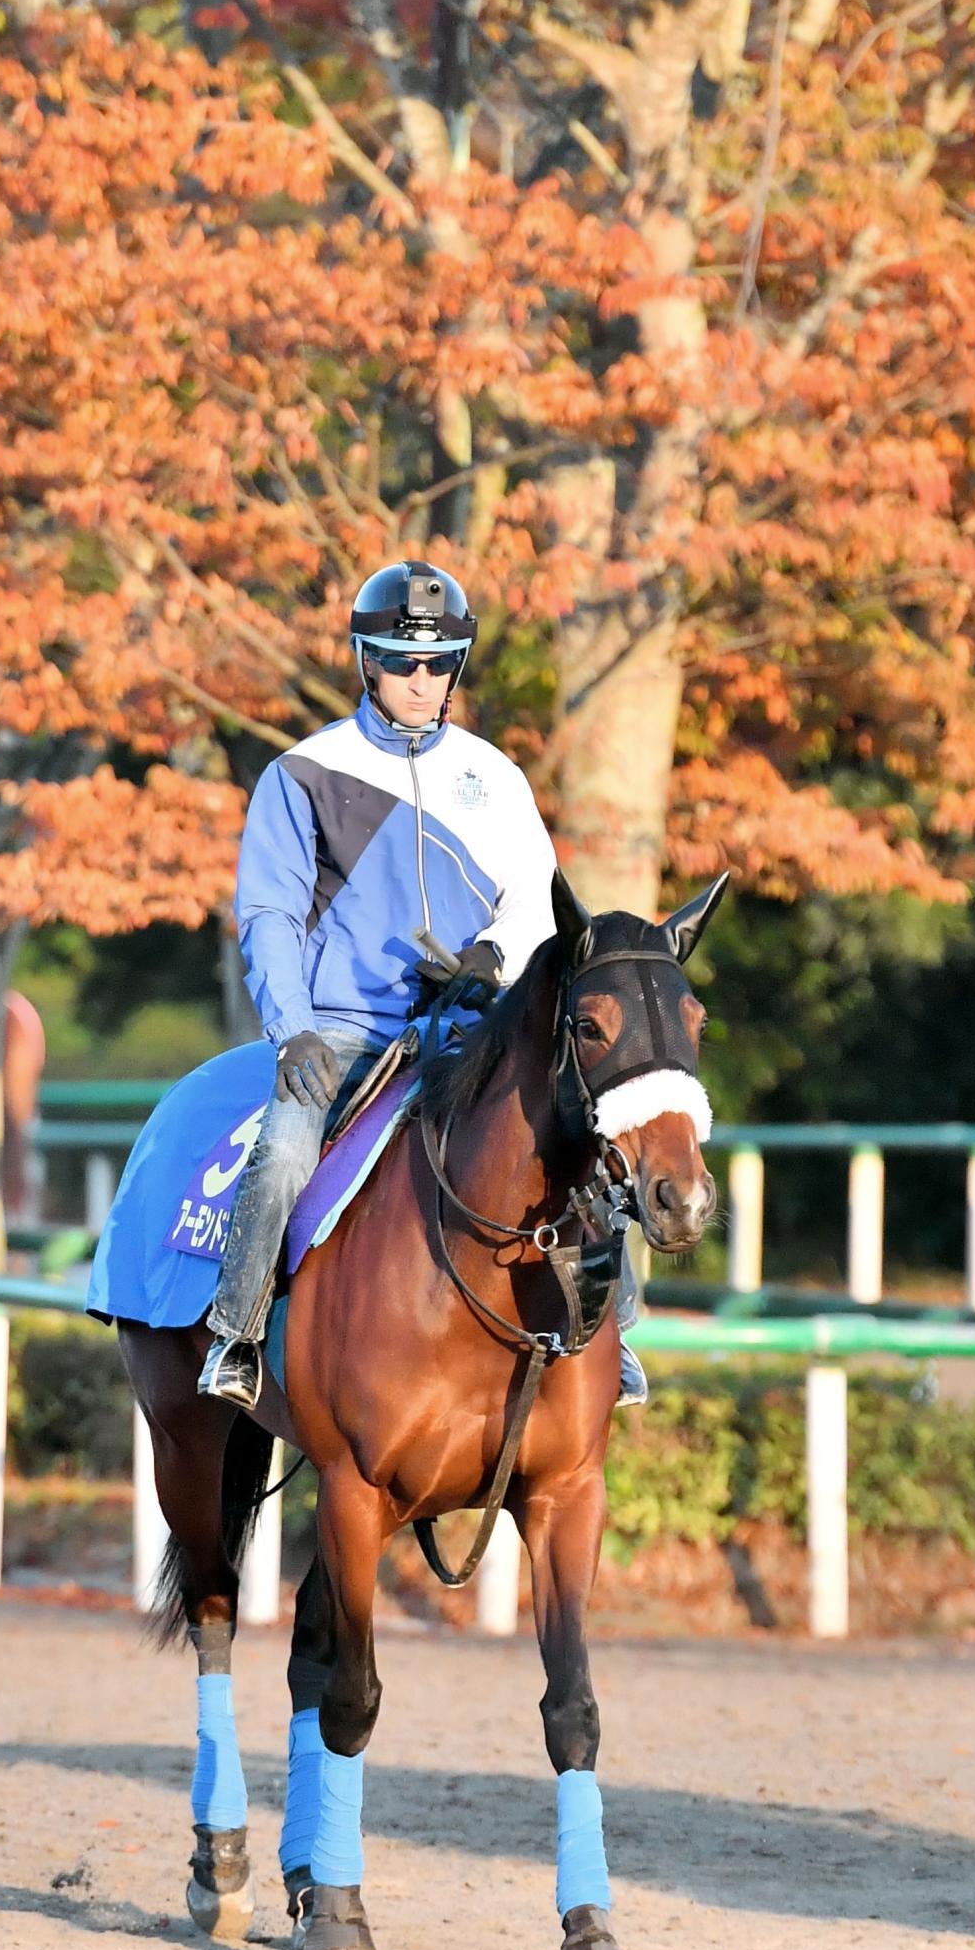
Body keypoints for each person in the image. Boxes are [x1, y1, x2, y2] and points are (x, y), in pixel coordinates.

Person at [199, 558, 647, 1413]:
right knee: (289, 1148)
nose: (421, 678)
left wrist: (492, 959)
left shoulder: (498, 780)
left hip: (467, 1031)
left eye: (440, 662)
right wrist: (290, 1027)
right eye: (402, 662)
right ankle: (239, 1334)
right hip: (339, 1029)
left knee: (589, 1135)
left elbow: (539, 906)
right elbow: (268, 915)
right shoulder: (303, 773)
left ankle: (615, 1340)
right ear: (366, 660)